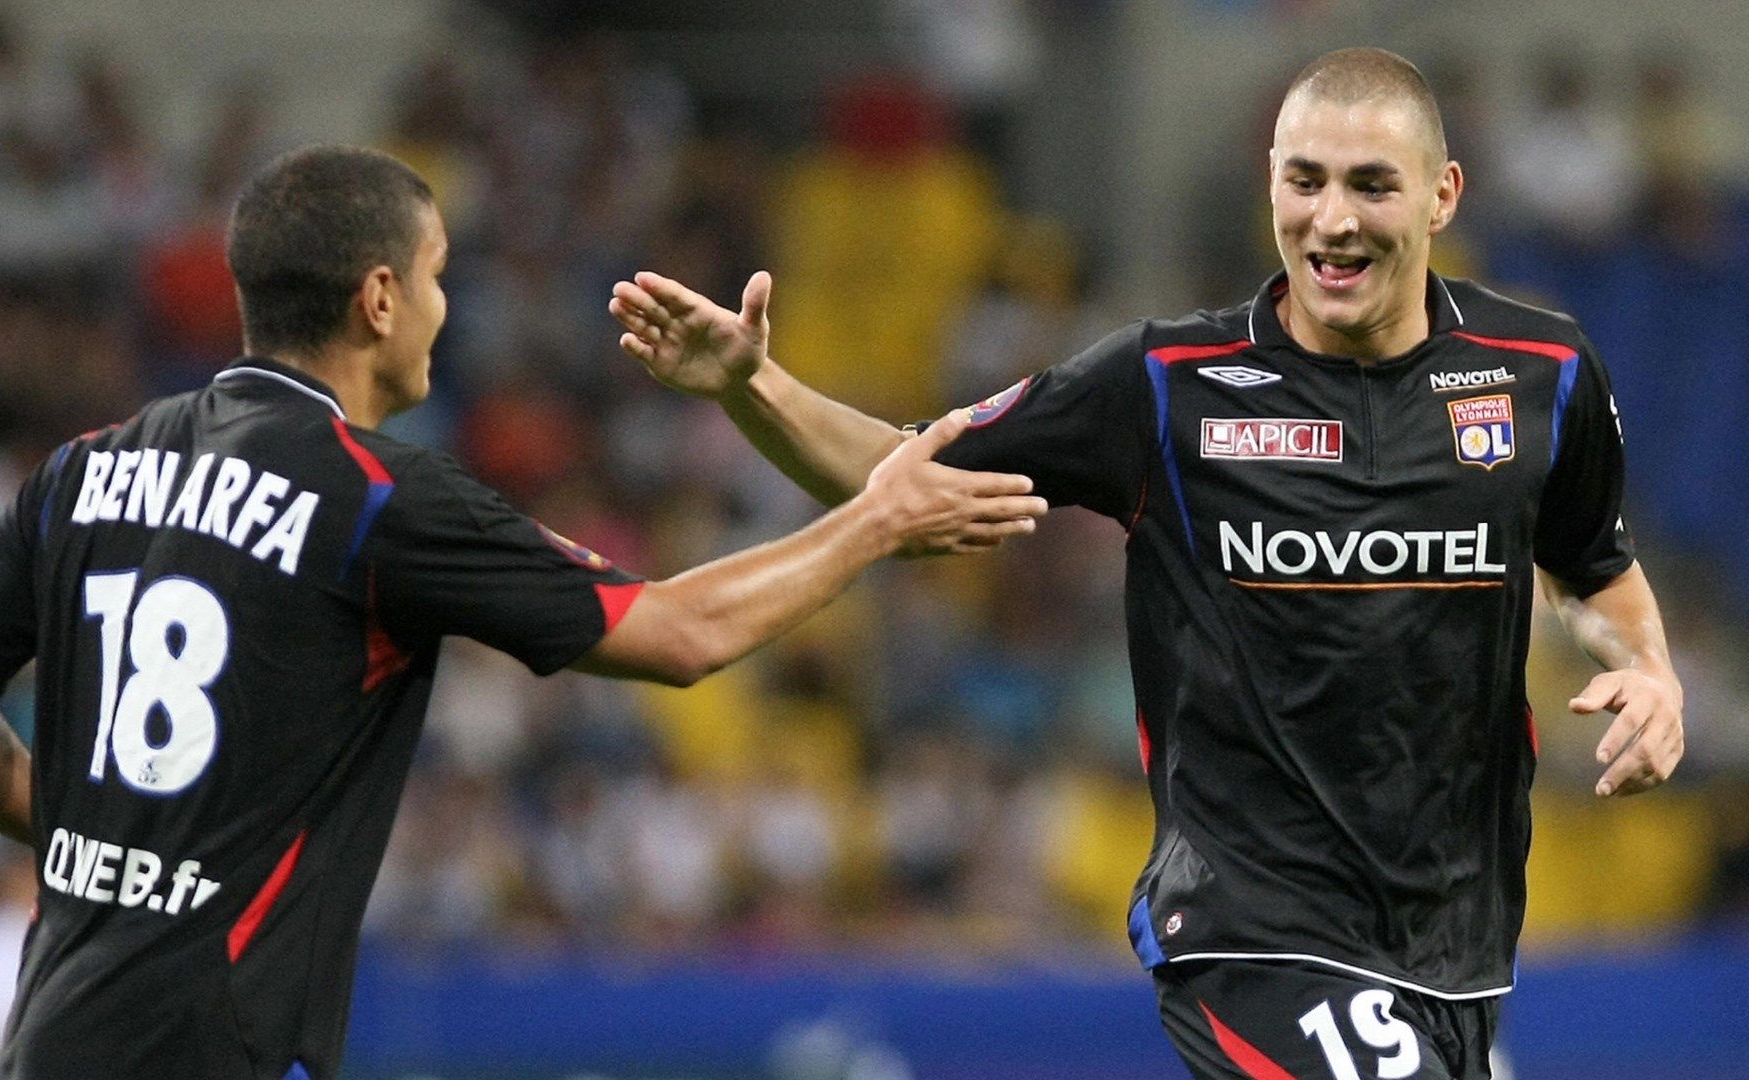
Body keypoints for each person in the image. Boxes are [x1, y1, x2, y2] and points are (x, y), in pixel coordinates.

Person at [0, 145, 1047, 1080]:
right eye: (434, 275)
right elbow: (679, 635)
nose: (442, 303)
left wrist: (80, 829)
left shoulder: (88, 467)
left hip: (55, 1031)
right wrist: (880, 516)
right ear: (378, 297)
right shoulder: (379, 496)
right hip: (220, 1039)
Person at [607, 47, 1683, 1080]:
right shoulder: (1168, 384)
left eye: (1372, 185)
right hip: (1253, 927)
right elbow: (905, 475)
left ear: (1443, 195)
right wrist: (754, 387)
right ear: (1270, 182)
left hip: (1457, 937)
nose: (1333, 219)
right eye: (1304, 181)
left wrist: (1649, 669)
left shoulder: (1543, 375)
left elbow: (1592, 567)